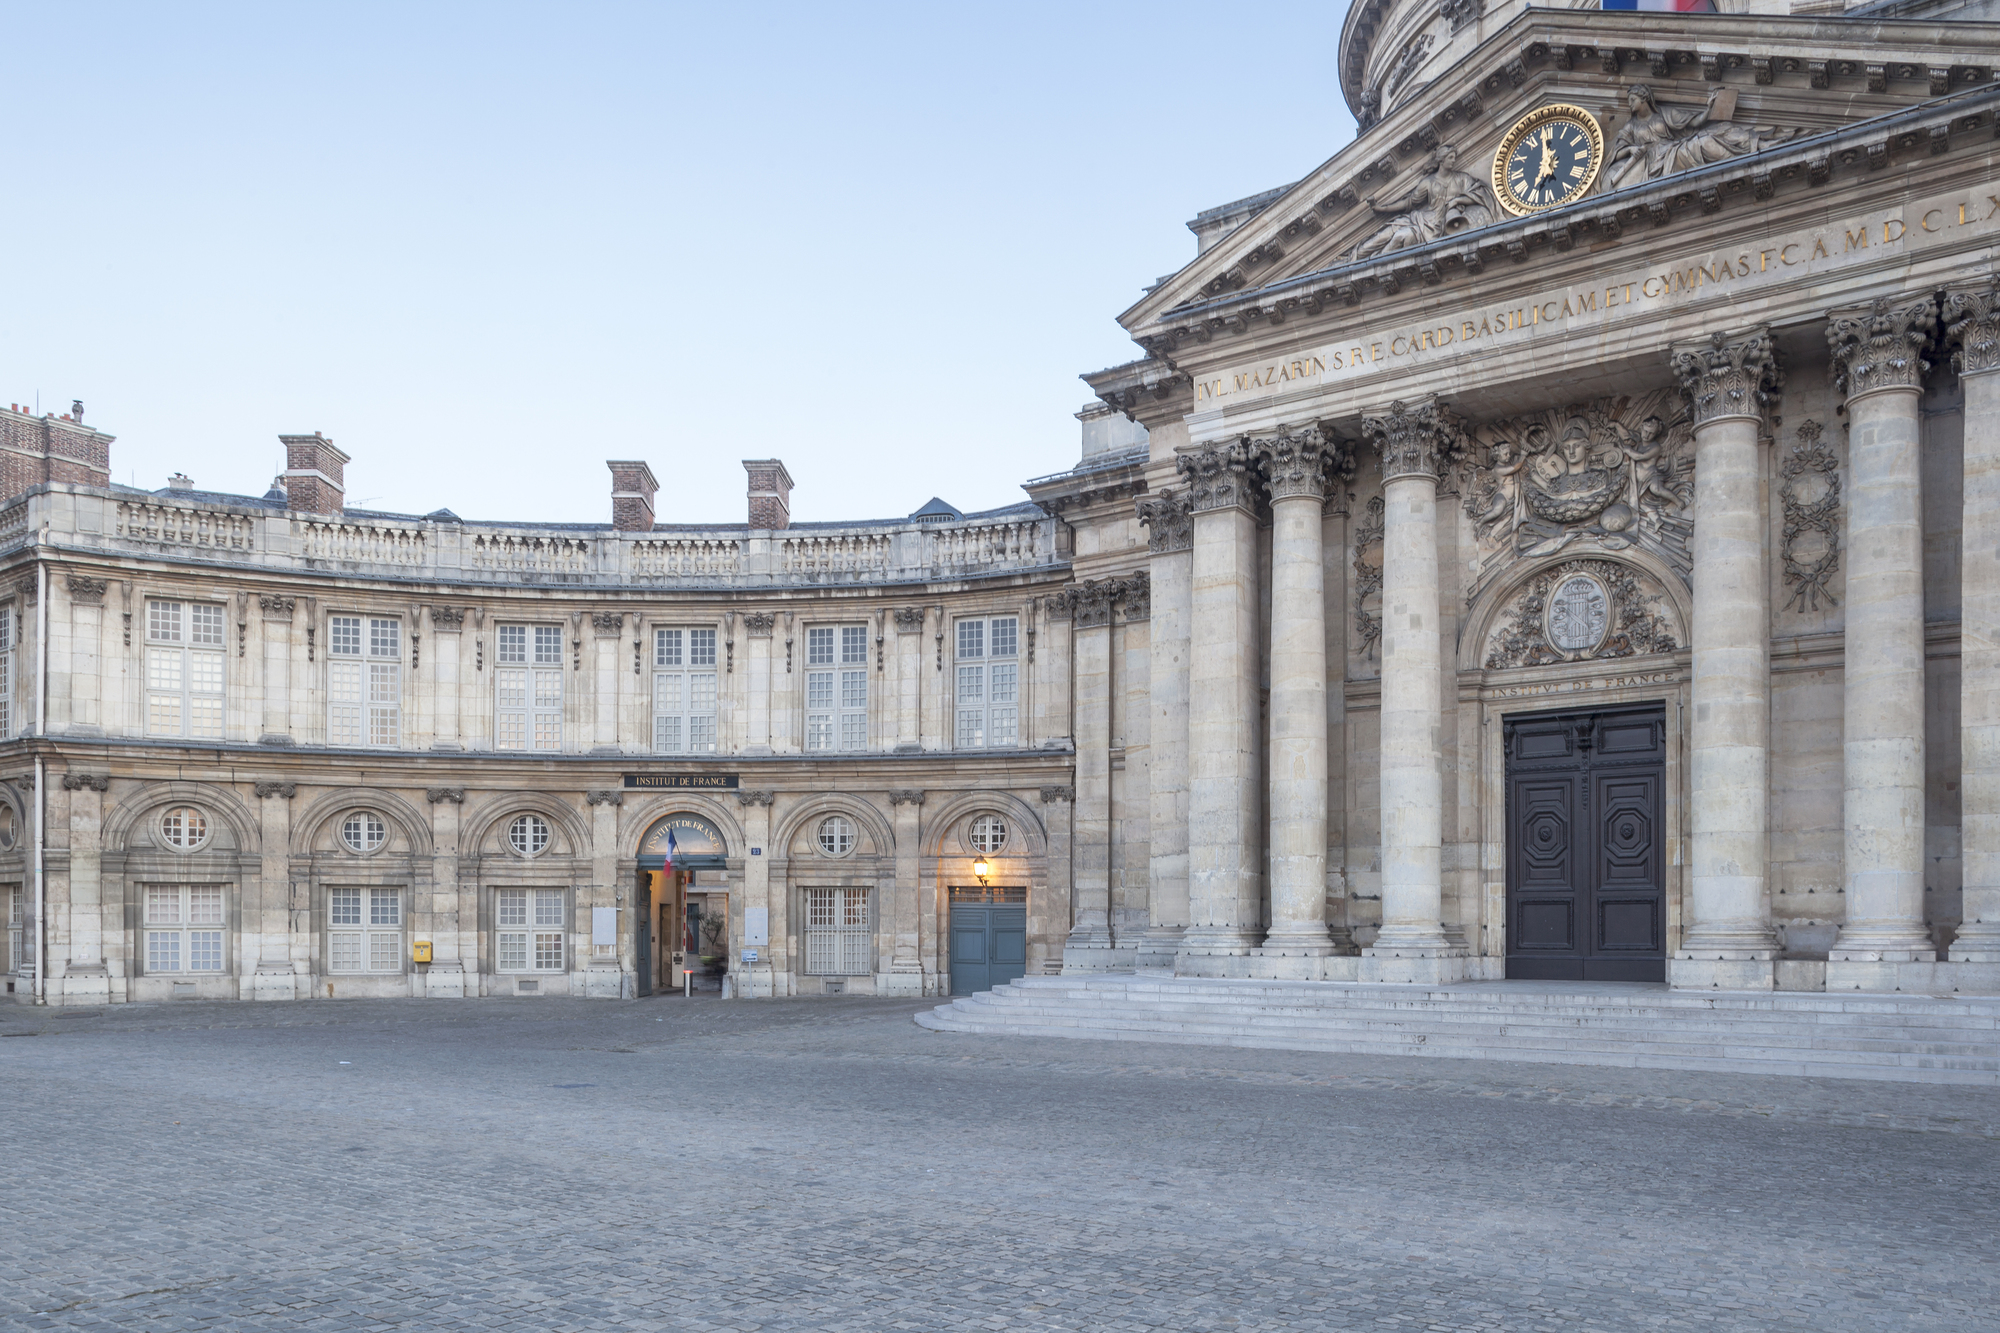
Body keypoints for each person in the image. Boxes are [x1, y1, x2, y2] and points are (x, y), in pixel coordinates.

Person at [1351, 145, 1496, 261]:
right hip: (1419, 219)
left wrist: (1457, 200)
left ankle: (1374, 262)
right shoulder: (1428, 182)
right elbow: (1409, 203)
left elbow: (1479, 193)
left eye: (1454, 158)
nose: (1453, 161)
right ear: (1441, 160)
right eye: (1450, 158)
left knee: (1400, 237)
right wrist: (1382, 208)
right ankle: (1354, 260)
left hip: (1435, 228)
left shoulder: (1462, 179)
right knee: (1381, 236)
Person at [1607, 84, 1767, 190]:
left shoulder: (1664, 114)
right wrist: (1631, 149)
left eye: (1632, 100)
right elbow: (1616, 153)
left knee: (1716, 133)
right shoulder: (1631, 126)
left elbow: (1695, 122)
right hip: (1653, 163)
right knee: (1701, 144)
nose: (1630, 104)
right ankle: (1748, 153)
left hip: (1671, 151)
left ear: (1644, 98)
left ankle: (1754, 146)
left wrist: (1709, 108)